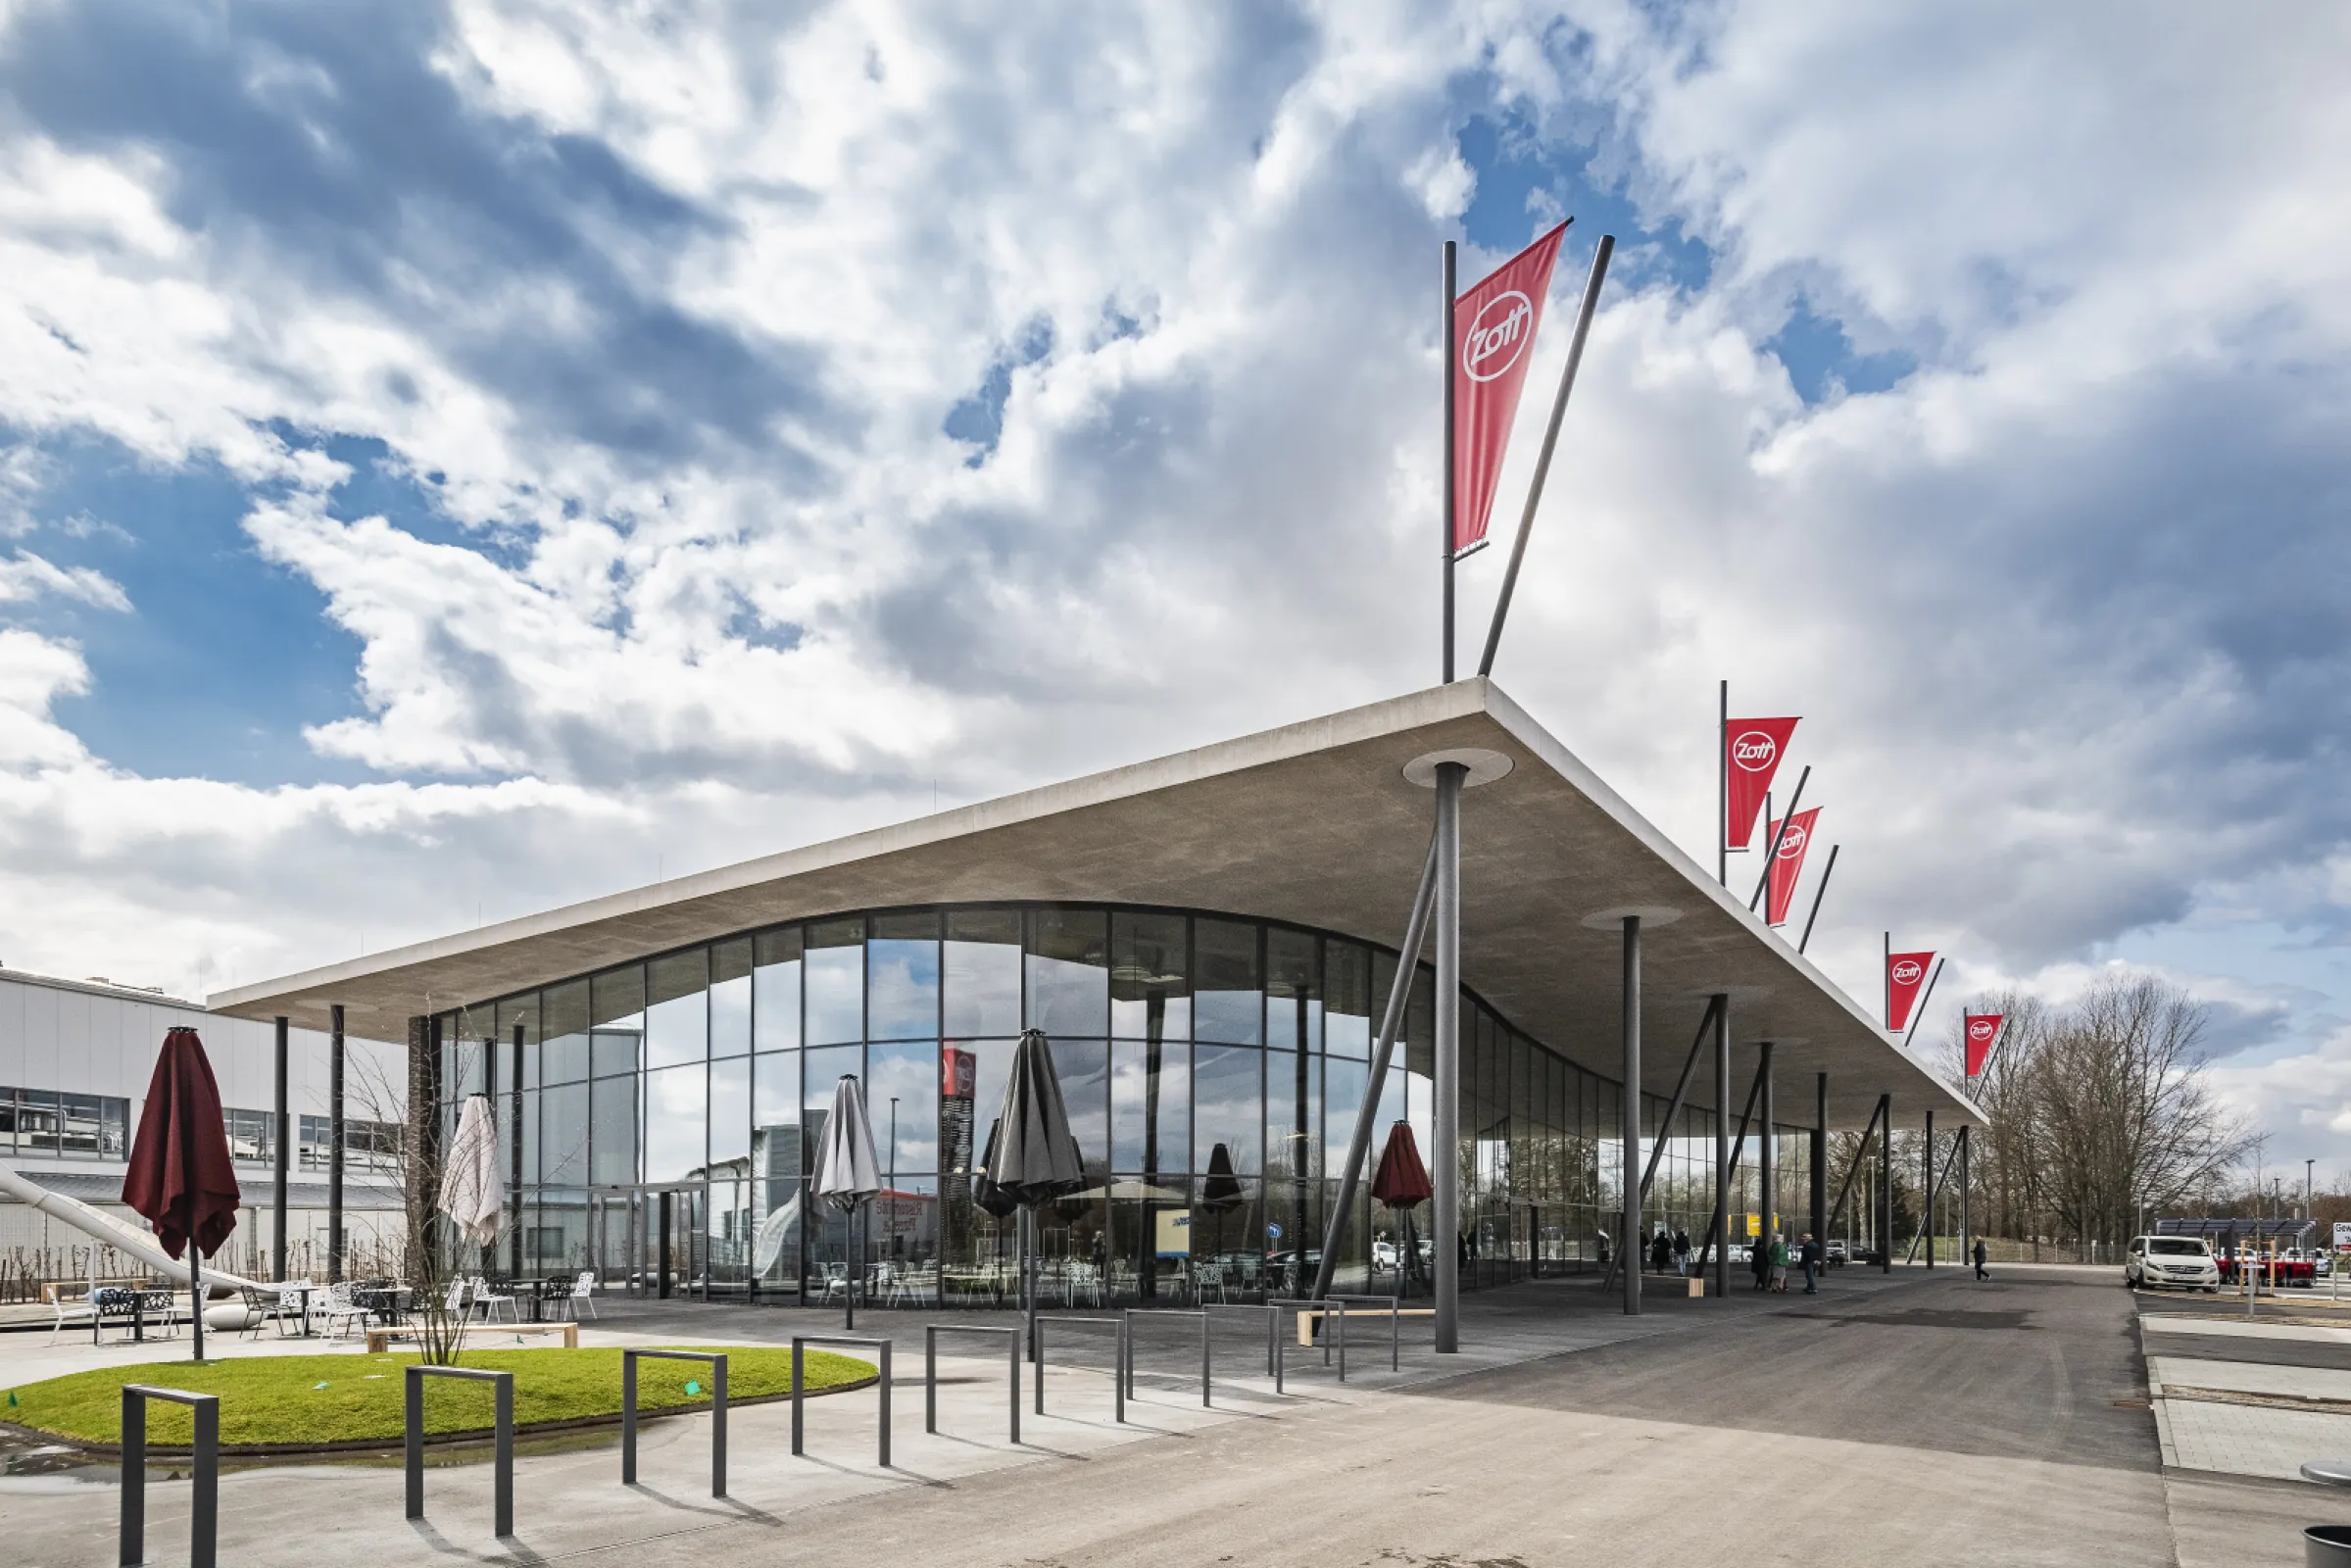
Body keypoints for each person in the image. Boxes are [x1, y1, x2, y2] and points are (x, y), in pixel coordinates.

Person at [1799, 1231, 1824, 1295]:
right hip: (1816, 1262)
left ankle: (1813, 1288)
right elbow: (1819, 1253)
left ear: (1806, 1239)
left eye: (1804, 1238)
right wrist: (1819, 1260)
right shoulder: (1816, 1245)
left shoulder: (1806, 1245)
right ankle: (1809, 1287)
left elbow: (1807, 1255)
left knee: (1809, 1276)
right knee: (1811, 1275)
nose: (1803, 1240)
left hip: (1809, 1262)